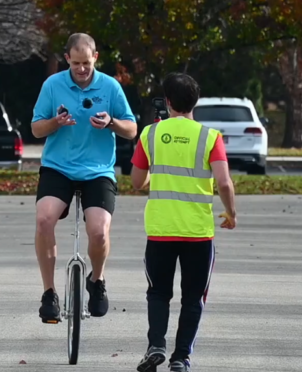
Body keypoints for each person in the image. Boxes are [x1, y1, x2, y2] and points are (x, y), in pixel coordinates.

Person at [129, 72, 236, 372]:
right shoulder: (210, 137)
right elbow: (224, 183)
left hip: (161, 231)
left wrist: (154, 172)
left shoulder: (150, 134)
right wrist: (231, 212)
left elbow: (137, 181)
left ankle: (156, 345)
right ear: (195, 102)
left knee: (158, 292)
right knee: (193, 297)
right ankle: (181, 357)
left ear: (167, 102)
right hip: (197, 234)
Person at [30, 33, 138, 323]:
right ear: (67, 59)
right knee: (44, 219)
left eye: (86, 63)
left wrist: (111, 123)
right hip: (58, 167)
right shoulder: (52, 85)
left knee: (99, 231)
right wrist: (56, 122)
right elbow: (36, 129)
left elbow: (132, 129)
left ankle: (97, 280)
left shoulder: (110, 86)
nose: (81, 69)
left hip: (97, 170)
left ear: (96, 59)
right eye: (76, 63)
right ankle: (49, 292)